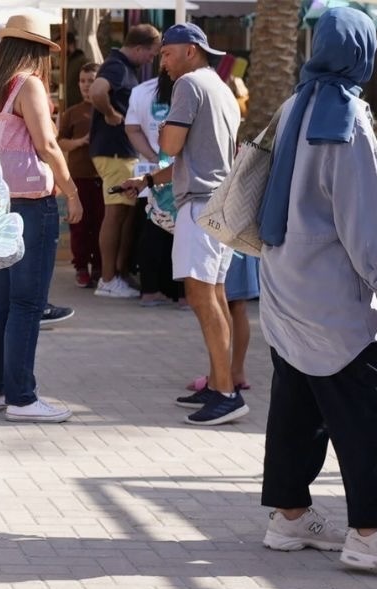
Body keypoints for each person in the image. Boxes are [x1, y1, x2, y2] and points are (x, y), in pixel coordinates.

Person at [254, 7, 377, 576]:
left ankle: (289, 516)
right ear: (360, 51)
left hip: (282, 282)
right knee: (373, 401)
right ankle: (372, 530)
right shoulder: (347, 116)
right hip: (328, 292)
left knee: (299, 400)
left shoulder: (295, 105)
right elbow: (361, 214)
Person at [121, 24, 243, 425]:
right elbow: (185, 159)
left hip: (201, 206)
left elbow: (169, 147)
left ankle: (225, 392)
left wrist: (160, 131)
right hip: (219, 203)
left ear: (190, 51)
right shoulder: (221, 87)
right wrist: (145, 180)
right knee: (216, 296)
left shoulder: (189, 85)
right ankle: (220, 383)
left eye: (168, 55)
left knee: (201, 296)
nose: (164, 64)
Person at [0, 12, 83, 423]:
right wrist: (71, 190)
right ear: (37, 50)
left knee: (2, 300)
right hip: (29, 203)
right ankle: (22, 397)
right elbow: (49, 144)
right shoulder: (29, 84)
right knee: (27, 303)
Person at [89, 24, 161, 299]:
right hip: (114, 150)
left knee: (125, 214)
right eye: (152, 54)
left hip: (120, 151)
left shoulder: (122, 67)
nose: (151, 60)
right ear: (140, 48)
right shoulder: (117, 66)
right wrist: (109, 113)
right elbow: (97, 91)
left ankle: (117, 273)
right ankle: (108, 279)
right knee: (116, 214)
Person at [124, 73, 185, 308]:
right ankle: (184, 295)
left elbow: (131, 128)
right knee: (180, 238)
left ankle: (150, 290)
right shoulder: (192, 90)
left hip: (153, 173)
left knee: (152, 230)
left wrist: (151, 157)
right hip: (180, 175)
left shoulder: (141, 90)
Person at [57, 62, 104, 289]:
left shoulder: (107, 110)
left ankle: (100, 266)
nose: (86, 86)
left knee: (101, 223)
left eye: (91, 81)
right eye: (83, 81)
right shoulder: (71, 113)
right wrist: (80, 142)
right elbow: (59, 142)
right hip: (80, 176)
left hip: (104, 177)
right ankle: (81, 267)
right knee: (80, 225)